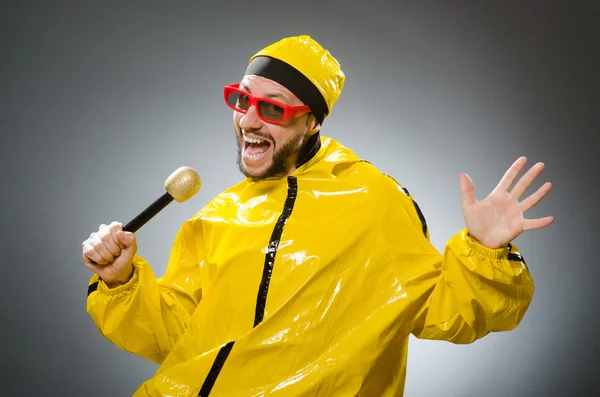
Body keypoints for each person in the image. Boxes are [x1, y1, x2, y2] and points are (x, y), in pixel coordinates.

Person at [83, 35, 553, 396]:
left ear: (313, 121)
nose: (248, 119)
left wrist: (482, 253)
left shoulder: (373, 200)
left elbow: (444, 314)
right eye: (241, 98)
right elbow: (179, 337)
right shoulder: (220, 213)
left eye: (272, 108)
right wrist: (122, 283)